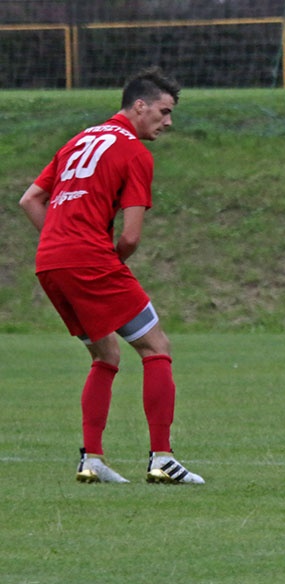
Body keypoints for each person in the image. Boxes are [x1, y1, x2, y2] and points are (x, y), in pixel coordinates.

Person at [19, 67, 204, 485]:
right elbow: (132, 236)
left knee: (106, 355)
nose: (168, 121)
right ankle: (162, 458)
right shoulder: (135, 153)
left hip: (51, 262)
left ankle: (92, 460)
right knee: (156, 346)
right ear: (140, 106)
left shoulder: (78, 140)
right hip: (89, 261)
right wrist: (105, 257)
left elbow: (30, 200)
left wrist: (61, 240)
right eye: (164, 110)